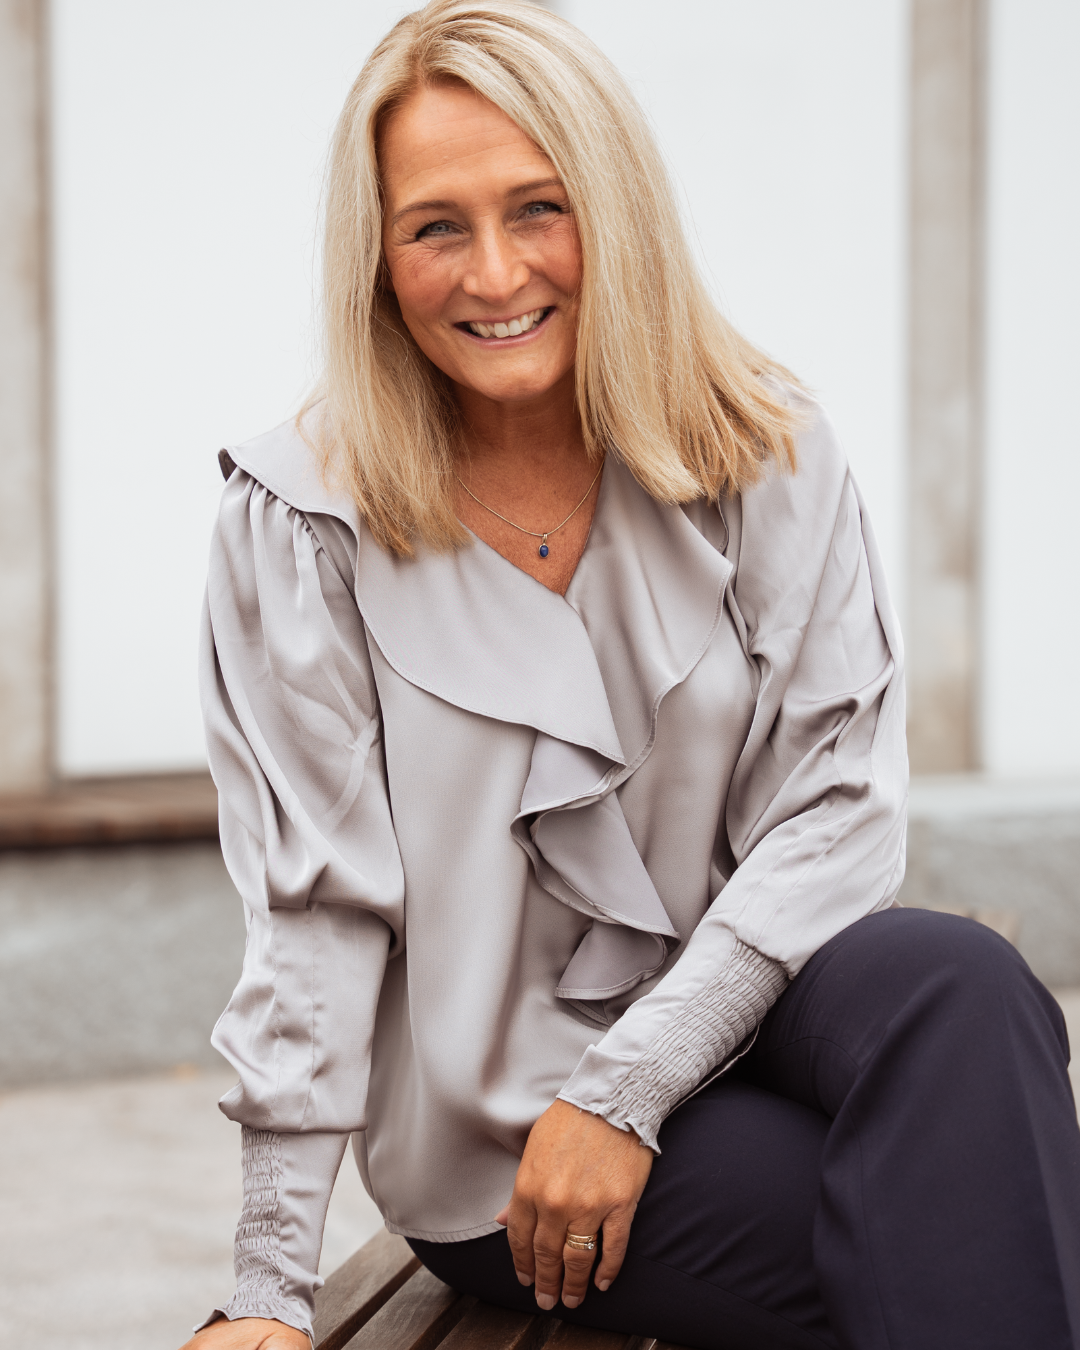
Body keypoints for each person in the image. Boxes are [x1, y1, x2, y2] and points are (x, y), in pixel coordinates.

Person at [182, 4, 1080, 1348]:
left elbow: (835, 807)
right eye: (436, 227)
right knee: (967, 1222)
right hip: (512, 1136)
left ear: (616, 205)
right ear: (376, 258)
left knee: (963, 986)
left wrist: (638, 1077)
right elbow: (316, 915)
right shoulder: (304, 522)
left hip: (739, 1012)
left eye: (539, 208)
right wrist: (266, 1283)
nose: (494, 274)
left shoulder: (758, 447)